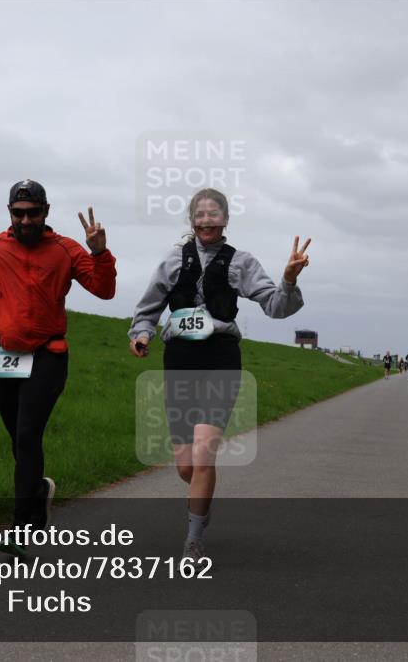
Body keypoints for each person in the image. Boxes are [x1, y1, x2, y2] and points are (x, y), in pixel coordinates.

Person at [0, 179, 117, 556]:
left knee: (29, 436)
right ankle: (37, 493)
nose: (26, 220)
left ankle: (20, 528)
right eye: (19, 213)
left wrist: (100, 254)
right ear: (10, 214)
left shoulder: (66, 249)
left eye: (33, 213)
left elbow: (104, 289)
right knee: (18, 439)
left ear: (46, 211)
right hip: (6, 357)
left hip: (49, 355)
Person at [128, 188, 310, 561]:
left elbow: (276, 306)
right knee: (186, 465)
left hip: (220, 359)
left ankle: (193, 538)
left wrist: (288, 280)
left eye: (214, 214)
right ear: (191, 220)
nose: (207, 220)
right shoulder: (173, 261)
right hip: (179, 360)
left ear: (225, 219)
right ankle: (202, 504)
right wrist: (142, 332)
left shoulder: (241, 263)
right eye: (200, 215)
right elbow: (148, 308)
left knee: (205, 452)